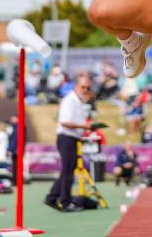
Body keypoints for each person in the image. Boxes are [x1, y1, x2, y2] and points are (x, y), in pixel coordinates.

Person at [45, 74, 94, 212]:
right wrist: (84, 126)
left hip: (72, 138)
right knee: (68, 172)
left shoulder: (78, 101)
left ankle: (52, 197)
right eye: (83, 87)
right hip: (67, 137)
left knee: (68, 170)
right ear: (76, 86)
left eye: (88, 88)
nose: (86, 90)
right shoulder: (70, 100)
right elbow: (64, 122)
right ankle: (65, 202)